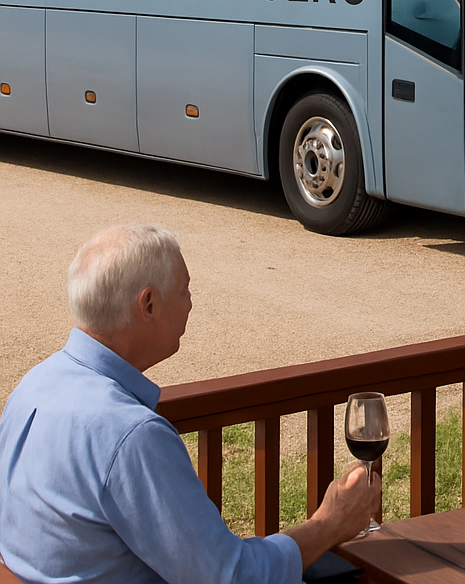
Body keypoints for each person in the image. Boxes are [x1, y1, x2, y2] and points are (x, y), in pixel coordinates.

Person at [0, 225, 377, 584]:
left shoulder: (34, 385)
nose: (192, 304)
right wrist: (330, 523)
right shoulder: (130, 435)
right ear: (147, 304)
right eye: (184, 290)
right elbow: (229, 577)